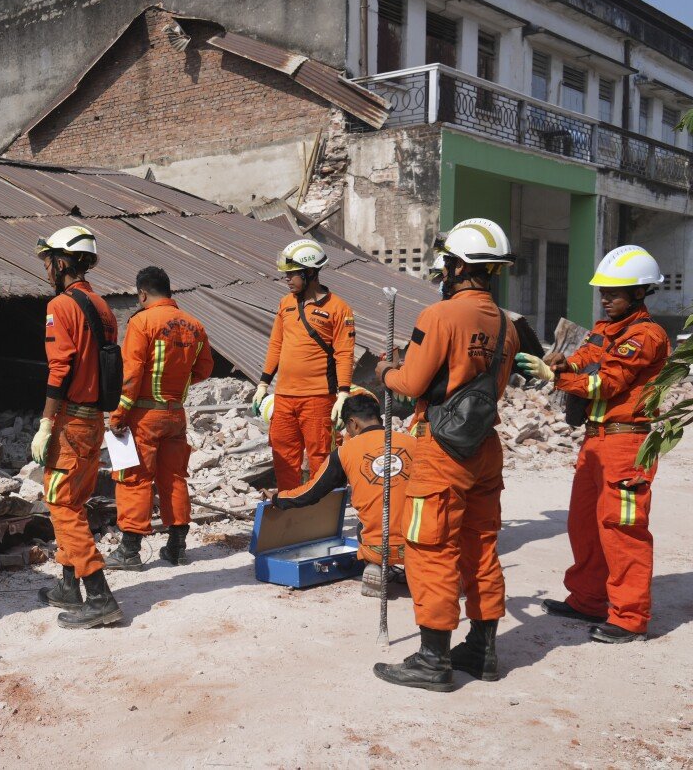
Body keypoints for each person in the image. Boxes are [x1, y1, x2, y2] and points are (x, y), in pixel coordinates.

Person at [371, 218, 519, 691]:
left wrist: (386, 372)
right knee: (480, 544)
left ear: (457, 266)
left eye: (447, 265)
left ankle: (433, 659)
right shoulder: (507, 326)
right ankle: (482, 649)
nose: (444, 274)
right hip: (484, 447)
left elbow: (413, 384)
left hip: (441, 448)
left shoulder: (440, 316)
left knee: (431, 547)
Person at [517, 245, 671, 644]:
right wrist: (560, 362)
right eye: (602, 291)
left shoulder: (645, 336)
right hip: (596, 441)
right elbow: (587, 355)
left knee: (622, 530)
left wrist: (555, 379)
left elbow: (606, 383)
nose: (605, 297)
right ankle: (587, 598)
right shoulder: (608, 328)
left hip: (627, 443)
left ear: (640, 293)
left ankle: (629, 618)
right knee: (583, 524)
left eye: (614, 292)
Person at [31, 226, 123, 629]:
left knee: (61, 505)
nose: (47, 268)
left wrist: (45, 423)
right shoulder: (102, 307)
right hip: (93, 422)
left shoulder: (60, 306)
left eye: (49, 260)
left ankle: (99, 595)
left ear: (63, 262)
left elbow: (60, 367)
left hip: (69, 422)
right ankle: (68, 586)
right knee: (76, 500)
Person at [105, 266, 214, 570]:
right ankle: (177, 548)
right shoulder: (195, 325)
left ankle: (129, 551)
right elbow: (204, 369)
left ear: (142, 293)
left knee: (133, 479)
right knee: (174, 478)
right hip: (175, 414)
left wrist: (118, 414)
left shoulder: (143, 322)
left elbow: (132, 373)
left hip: (143, 415)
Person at [265, 394, 413, 597]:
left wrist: (278, 498)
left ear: (353, 423)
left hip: (378, 547)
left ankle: (375, 565)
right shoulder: (414, 443)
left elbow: (312, 492)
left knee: (365, 522)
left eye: (347, 427)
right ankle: (415, 570)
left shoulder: (344, 453)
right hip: (418, 544)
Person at [252, 239, 356, 490]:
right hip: (285, 397)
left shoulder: (339, 309)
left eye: (292, 274)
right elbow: (276, 344)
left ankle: (318, 512)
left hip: (319, 398)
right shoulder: (285, 303)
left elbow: (344, 353)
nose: (286, 280)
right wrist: (263, 384)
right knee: (283, 454)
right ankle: (290, 503)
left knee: (320, 456)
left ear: (310, 273)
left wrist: (342, 394)